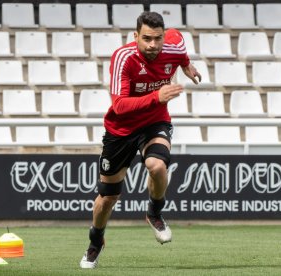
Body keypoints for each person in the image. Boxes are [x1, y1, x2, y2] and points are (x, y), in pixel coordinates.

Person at [80, 11, 201, 269]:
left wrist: (187, 66)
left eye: (157, 39)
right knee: (107, 198)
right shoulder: (123, 57)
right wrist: (156, 96)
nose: (152, 45)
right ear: (135, 36)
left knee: (157, 166)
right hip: (121, 129)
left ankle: (154, 212)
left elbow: (180, 54)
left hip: (154, 122)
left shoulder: (174, 43)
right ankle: (96, 241)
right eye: (146, 38)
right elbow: (120, 105)